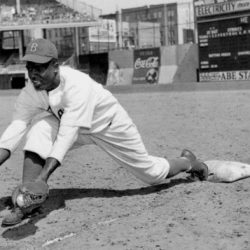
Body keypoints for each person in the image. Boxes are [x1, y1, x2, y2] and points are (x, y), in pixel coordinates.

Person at [0, 38, 208, 226]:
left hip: (109, 126)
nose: (33, 73)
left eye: (39, 67)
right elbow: (15, 129)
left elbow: (65, 138)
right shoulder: (31, 91)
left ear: (55, 66)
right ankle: (26, 203)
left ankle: (187, 162)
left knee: (151, 174)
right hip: (70, 126)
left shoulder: (76, 85)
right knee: (39, 130)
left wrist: (42, 179)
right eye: (30, 68)